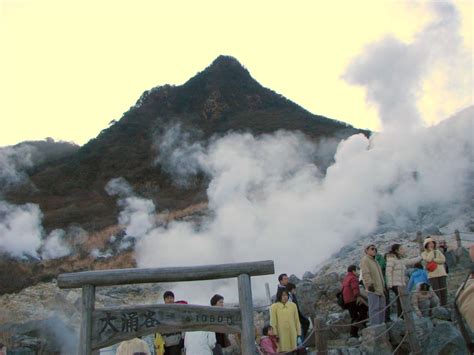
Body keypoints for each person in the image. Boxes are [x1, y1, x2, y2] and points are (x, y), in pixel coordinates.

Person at [386, 244, 422, 318]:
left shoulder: (400, 260)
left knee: (401, 298)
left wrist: (421, 257)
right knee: (400, 298)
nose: (403, 250)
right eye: (401, 249)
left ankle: (402, 315)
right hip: (394, 283)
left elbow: (411, 261)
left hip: (400, 283)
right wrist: (389, 284)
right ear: (397, 250)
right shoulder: (391, 259)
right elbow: (388, 271)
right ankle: (401, 316)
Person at [360, 244, 386, 326]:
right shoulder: (365, 260)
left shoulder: (375, 261)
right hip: (373, 289)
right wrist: (369, 285)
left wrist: (383, 286)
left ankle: (381, 325)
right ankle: (376, 327)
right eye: (372, 249)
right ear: (366, 250)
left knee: (382, 308)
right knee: (374, 308)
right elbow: (365, 273)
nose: (374, 250)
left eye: (375, 249)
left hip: (380, 288)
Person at [342, 265, 368, 338]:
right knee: (364, 309)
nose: (358, 272)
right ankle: (361, 324)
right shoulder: (353, 278)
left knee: (354, 316)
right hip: (353, 299)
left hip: (347, 300)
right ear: (353, 271)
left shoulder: (346, 278)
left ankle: (353, 334)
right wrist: (358, 296)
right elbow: (355, 288)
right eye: (357, 270)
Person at [421, 237, 448, 306]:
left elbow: (443, 260)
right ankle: (438, 306)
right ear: (426, 245)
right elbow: (428, 260)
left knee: (443, 290)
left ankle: (445, 305)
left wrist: (435, 260)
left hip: (442, 273)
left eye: (432, 243)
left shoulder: (438, 251)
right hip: (432, 274)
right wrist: (432, 251)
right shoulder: (423, 253)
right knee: (436, 292)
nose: (431, 245)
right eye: (429, 243)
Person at [160, 291, 184, 355]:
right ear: (164, 300)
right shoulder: (160, 312)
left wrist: (182, 340)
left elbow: (184, 325)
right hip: (164, 345)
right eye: (167, 298)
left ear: (174, 299)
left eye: (171, 298)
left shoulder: (178, 311)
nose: (170, 300)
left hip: (176, 344)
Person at [375, 251, 390, 323]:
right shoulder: (380, 258)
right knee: (386, 300)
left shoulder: (378, 258)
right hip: (382, 282)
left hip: (378, 283)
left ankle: (381, 319)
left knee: (380, 302)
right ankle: (386, 318)